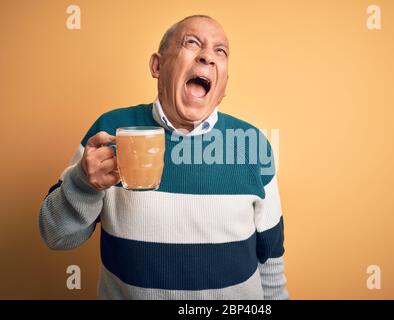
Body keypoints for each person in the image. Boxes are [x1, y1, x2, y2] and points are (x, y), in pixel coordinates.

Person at [39, 15, 288, 300]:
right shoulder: (109, 133)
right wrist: (83, 184)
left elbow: (270, 260)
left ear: (224, 83)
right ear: (157, 65)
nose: (208, 55)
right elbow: (55, 235)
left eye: (220, 51)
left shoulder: (252, 144)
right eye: (192, 43)